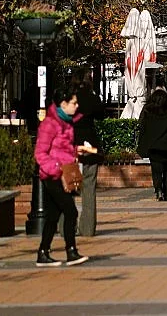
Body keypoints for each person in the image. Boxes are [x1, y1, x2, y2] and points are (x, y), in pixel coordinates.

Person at [34, 86, 92, 267]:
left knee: (53, 215)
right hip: (53, 176)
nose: (76, 106)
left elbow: (61, 149)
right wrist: (56, 169)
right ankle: (71, 251)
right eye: (73, 103)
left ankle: (43, 252)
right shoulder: (50, 124)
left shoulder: (66, 123)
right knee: (70, 211)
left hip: (64, 172)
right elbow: (40, 153)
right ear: (63, 104)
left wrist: (77, 151)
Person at [70, 68, 105, 237]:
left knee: (68, 187)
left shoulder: (68, 98)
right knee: (89, 187)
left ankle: (66, 227)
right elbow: (101, 115)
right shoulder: (92, 97)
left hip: (70, 146)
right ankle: (87, 228)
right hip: (89, 145)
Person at [137, 89, 167, 202]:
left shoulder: (148, 112)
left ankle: (158, 190)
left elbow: (142, 128)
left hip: (153, 147)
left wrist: (142, 145)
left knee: (156, 170)